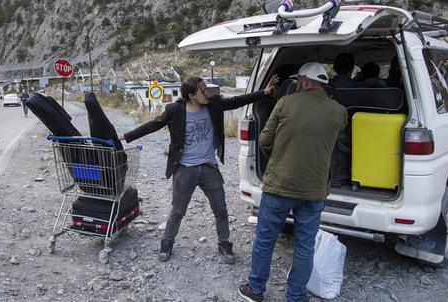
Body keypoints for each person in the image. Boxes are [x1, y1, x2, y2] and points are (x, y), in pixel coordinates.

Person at [121, 75, 278, 264]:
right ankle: (167, 241)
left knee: (221, 209)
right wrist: (125, 136)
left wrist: (264, 92)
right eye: (203, 90)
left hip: (208, 167)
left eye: (206, 89)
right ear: (191, 96)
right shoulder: (175, 110)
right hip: (185, 168)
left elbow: (237, 101)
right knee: (178, 210)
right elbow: (153, 125)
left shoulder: (213, 104)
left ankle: (224, 244)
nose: (207, 92)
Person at [239, 62, 347, 302]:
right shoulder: (339, 111)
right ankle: (296, 296)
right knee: (305, 245)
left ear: (305, 81)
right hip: (314, 190)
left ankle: (256, 290)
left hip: (279, 184)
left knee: (265, 240)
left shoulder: (286, 103)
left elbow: (265, 140)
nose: (298, 83)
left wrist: (280, 156)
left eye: (299, 80)